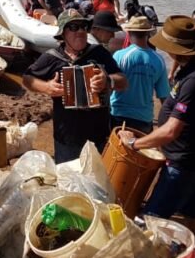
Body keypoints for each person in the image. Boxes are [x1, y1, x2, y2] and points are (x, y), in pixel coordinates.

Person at [116, 16, 195, 255]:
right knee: (194, 216)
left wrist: (134, 143)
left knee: (151, 219)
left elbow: (171, 130)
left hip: (183, 164)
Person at [23, 10, 127, 163]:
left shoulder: (99, 53)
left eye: (83, 27)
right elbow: (27, 78)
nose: (80, 31)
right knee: (67, 176)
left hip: (98, 135)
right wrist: (46, 87)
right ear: (63, 34)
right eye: (73, 27)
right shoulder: (52, 57)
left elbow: (123, 81)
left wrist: (108, 80)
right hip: (67, 138)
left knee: (97, 175)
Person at [110, 16, 169, 134]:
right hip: (144, 118)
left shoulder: (119, 55)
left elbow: (109, 85)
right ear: (148, 33)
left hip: (118, 115)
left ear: (129, 32)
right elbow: (164, 96)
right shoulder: (159, 60)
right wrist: (166, 124)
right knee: (141, 146)